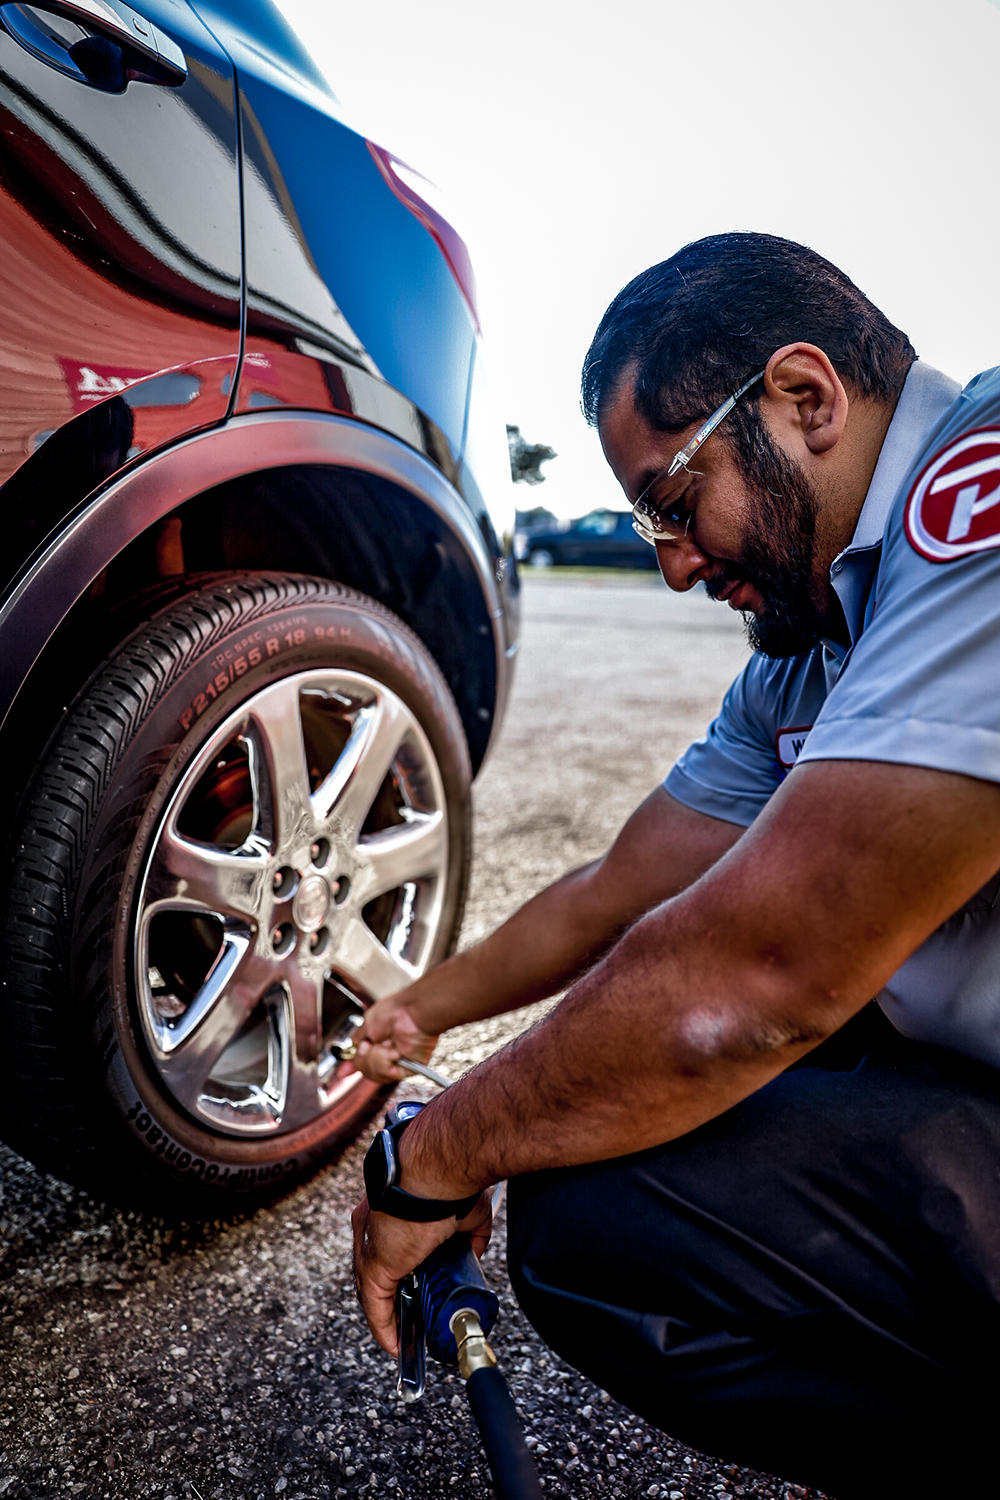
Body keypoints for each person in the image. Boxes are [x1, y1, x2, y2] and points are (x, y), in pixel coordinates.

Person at [350, 233, 1000, 1499]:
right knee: (608, 1113)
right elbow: (621, 892)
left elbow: (755, 974)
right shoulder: (808, 649)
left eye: (669, 497)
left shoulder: (982, 495)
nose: (671, 560)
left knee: (600, 1222)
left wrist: (436, 1154)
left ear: (804, 399)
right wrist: (424, 1011)